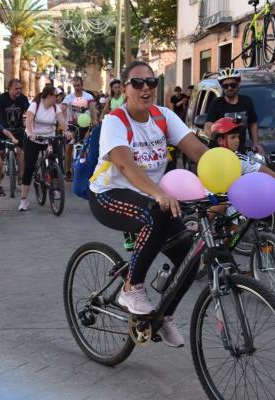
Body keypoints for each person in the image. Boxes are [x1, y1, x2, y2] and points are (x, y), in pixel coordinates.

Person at [88, 61, 208, 347]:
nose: (146, 89)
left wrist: (237, 173)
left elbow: (198, 150)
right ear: (124, 89)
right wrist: (158, 193)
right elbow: (127, 166)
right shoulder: (115, 121)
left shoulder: (164, 116)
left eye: (151, 83)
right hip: (109, 195)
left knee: (191, 258)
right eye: (138, 83)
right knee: (156, 212)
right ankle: (131, 288)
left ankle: (163, 315)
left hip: (151, 196)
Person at [208, 117, 275, 226]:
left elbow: (260, 168)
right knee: (220, 206)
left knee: (232, 235)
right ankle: (201, 227)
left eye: (238, 137)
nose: (237, 140)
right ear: (220, 140)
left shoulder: (238, 158)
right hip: (212, 196)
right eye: (233, 137)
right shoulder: (212, 156)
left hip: (232, 199)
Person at [19, 86, 70, 211]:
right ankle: (24, 199)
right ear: (49, 96)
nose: (57, 98)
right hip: (34, 139)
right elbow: (28, 122)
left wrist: (66, 130)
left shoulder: (55, 107)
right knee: (29, 167)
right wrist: (30, 132)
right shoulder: (35, 105)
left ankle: (56, 188)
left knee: (56, 161)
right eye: (55, 96)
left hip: (49, 138)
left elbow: (61, 120)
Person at [205, 68, 264, 154]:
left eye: (233, 85)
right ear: (222, 87)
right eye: (225, 86)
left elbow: (253, 123)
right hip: (221, 152)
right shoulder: (217, 103)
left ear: (238, 84)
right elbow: (208, 125)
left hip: (241, 150)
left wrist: (255, 143)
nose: (229, 88)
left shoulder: (247, 101)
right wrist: (217, 138)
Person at [0, 79, 29, 184]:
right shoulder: (2, 98)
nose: (19, 90)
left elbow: (29, 112)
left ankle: (21, 176)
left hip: (18, 129)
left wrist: (29, 122)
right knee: (0, 153)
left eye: (20, 88)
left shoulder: (23, 99)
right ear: (9, 88)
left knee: (20, 152)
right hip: (3, 129)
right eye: (16, 88)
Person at [62, 76, 96, 181]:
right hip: (72, 125)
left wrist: (95, 119)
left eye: (78, 85)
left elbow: (93, 109)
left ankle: (89, 170)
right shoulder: (69, 98)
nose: (76, 88)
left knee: (88, 146)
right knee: (69, 146)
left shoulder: (88, 96)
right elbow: (63, 108)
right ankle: (68, 171)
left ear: (82, 85)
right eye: (75, 86)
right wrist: (60, 118)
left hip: (86, 125)